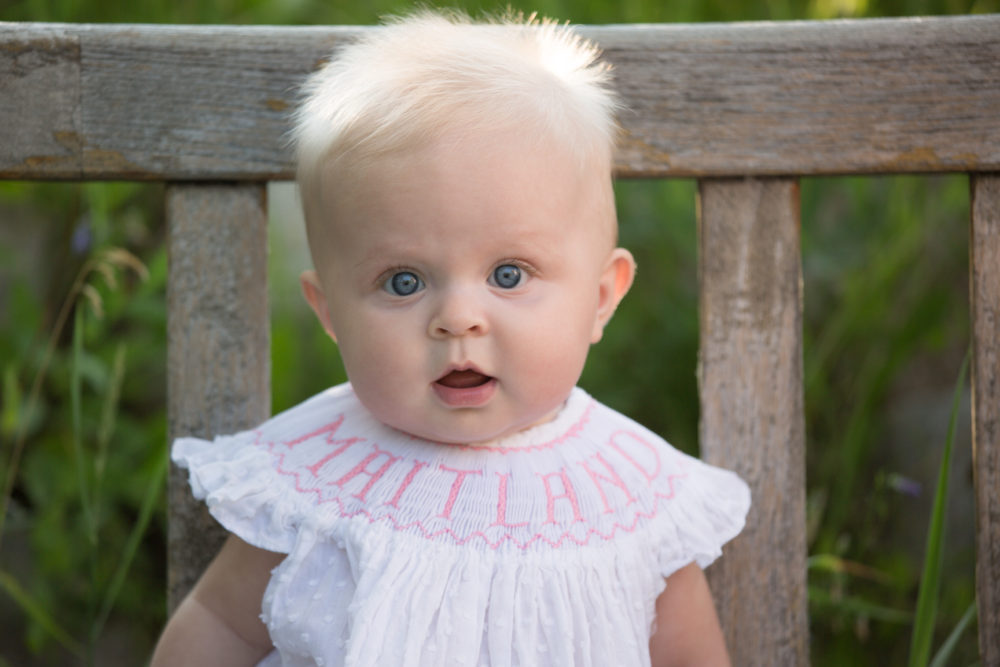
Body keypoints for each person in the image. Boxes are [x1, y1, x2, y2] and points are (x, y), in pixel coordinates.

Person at [152, 10, 750, 667]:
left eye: (508, 273)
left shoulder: (633, 497)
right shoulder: (316, 478)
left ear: (600, 297)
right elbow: (221, 625)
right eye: (404, 281)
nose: (458, 317)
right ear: (330, 313)